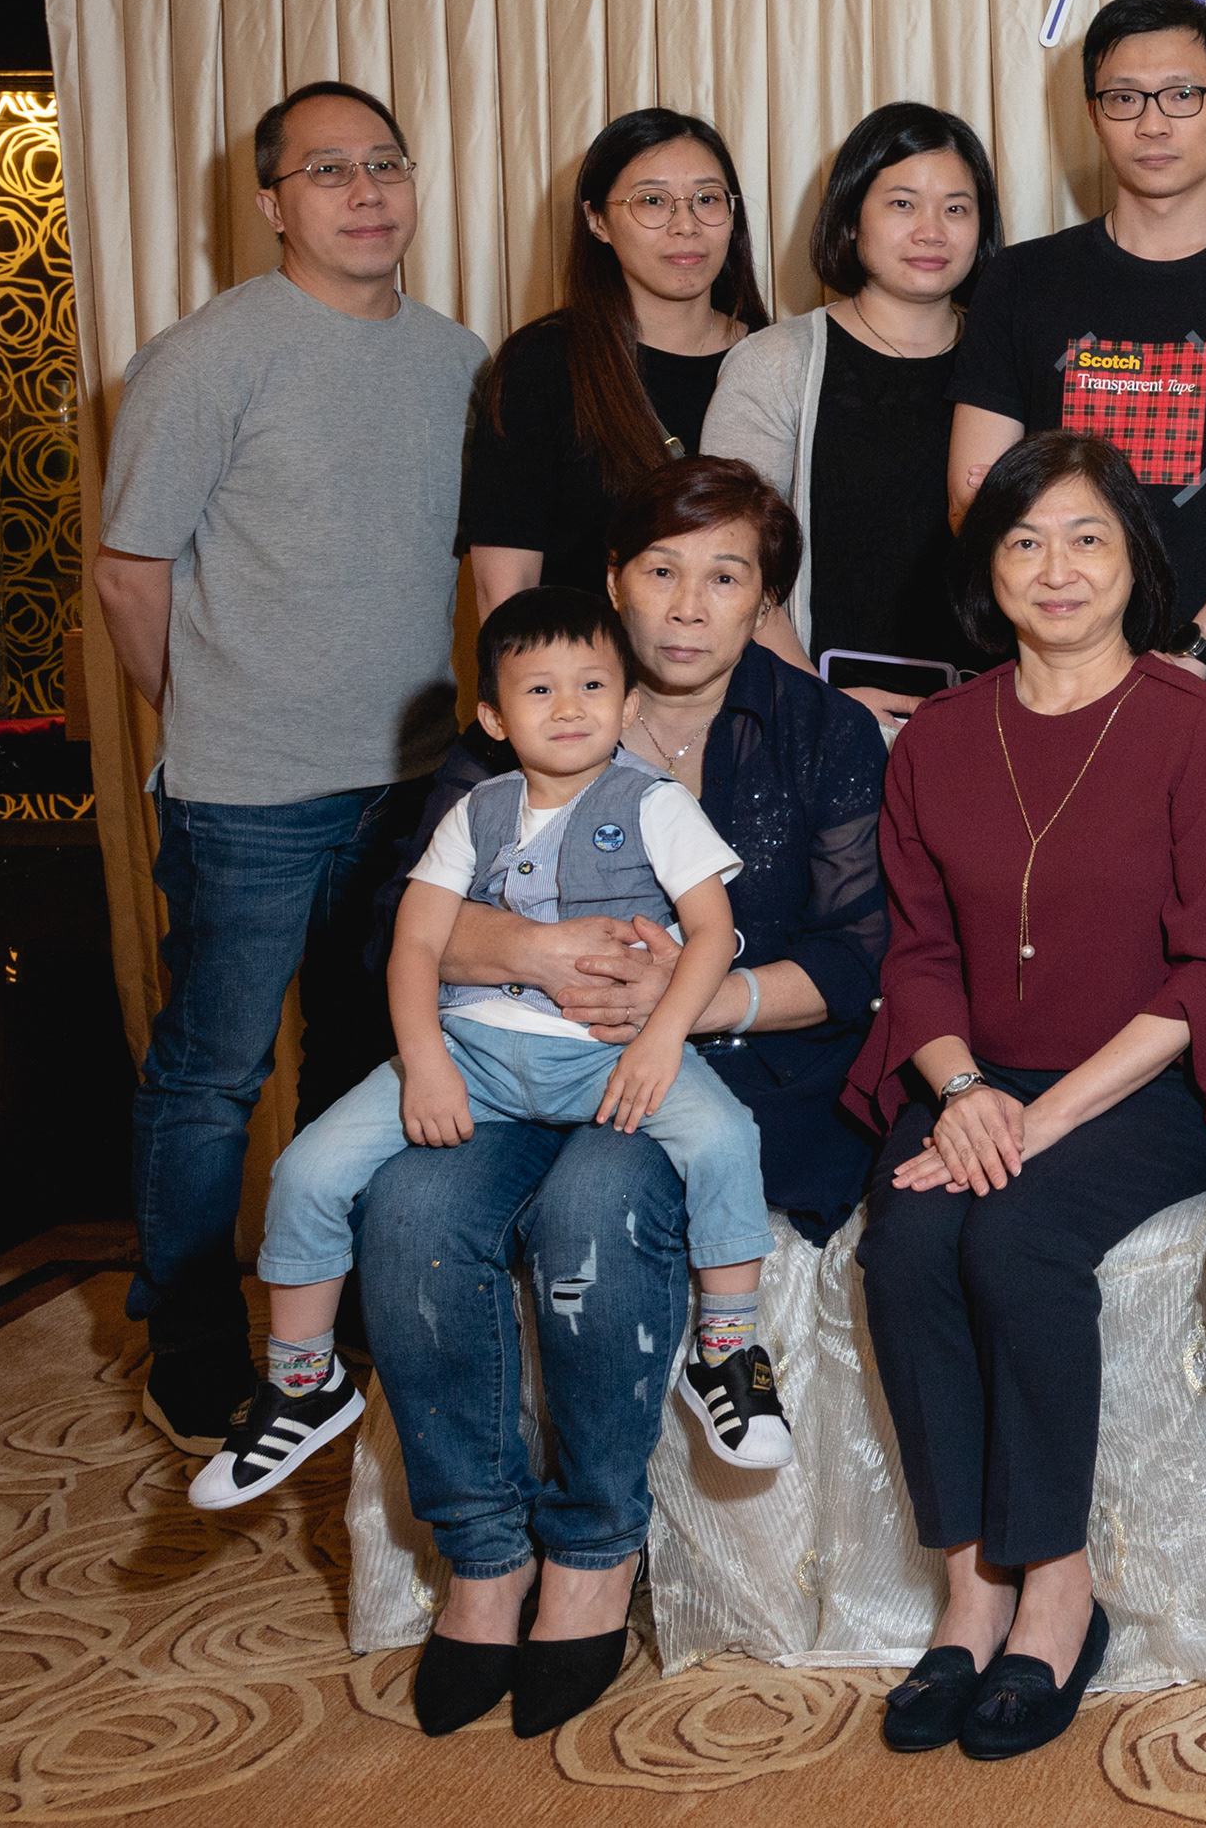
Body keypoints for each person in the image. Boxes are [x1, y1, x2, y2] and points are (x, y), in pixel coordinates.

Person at [346, 456, 891, 1741]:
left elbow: (859, 957)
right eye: (660, 569)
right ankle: (484, 1559)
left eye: (727, 577)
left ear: (765, 599)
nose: (689, 605)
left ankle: (592, 1553)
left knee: (593, 1206)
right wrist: (534, 950)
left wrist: (697, 1000)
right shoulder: (534, 706)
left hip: (721, 1072)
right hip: (501, 1060)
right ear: (612, 577)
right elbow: (396, 925)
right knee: (409, 1211)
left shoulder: (819, 731)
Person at [195, 586, 788, 1525]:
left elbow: (713, 933)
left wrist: (662, 1037)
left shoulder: (656, 804)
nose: (569, 707)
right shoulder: (475, 811)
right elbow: (415, 945)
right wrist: (425, 1059)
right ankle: (304, 1380)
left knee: (726, 1137)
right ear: (494, 717)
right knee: (306, 1168)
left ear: (629, 701)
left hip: (606, 1052)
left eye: (592, 684)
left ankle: (727, 1351)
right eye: (540, 689)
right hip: (473, 1050)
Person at [852, 431, 1206, 1761]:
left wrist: (1039, 1119)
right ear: (988, 566)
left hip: (1147, 1077)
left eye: (1088, 536)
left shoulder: (1198, 726)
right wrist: (967, 1089)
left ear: (1135, 558)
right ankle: (969, 1587)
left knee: (1018, 1233)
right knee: (909, 1236)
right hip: (977, 1072)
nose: (1057, 566)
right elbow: (916, 953)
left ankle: (1056, 1589)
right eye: (1025, 539)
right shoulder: (936, 739)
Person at [94, 79, 485, 1456]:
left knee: (364, 1060)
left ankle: (336, 1309)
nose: (366, 191)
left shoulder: (457, 358)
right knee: (210, 1081)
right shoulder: (206, 357)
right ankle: (193, 1343)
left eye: (386, 162)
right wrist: (210, 712)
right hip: (247, 794)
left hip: (412, 783)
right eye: (328, 170)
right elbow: (130, 574)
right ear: (271, 200)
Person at [948, 0, 1206, 715]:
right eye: (1124, 99)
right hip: (1052, 680)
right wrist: (1086, 658)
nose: (1153, 122)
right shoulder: (1021, 279)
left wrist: (1194, 656)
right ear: (1092, 116)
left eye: (1182, 94)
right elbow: (972, 496)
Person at [705, 101, 1001, 722]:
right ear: (850, 219)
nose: (932, 231)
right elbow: (727, 561)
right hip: (817, 706)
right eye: (902, 204)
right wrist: (820, 708)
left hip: (991, 712)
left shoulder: (1012, 359)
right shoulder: (776, 363)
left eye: (956, 208)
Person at [464, 106, 769, 602]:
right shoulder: (542, 364)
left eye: (707, 199)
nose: (686, 224)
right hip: (585, 653)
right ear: (597, 220)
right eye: (652, 201)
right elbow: (506, 589)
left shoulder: (775, 358)